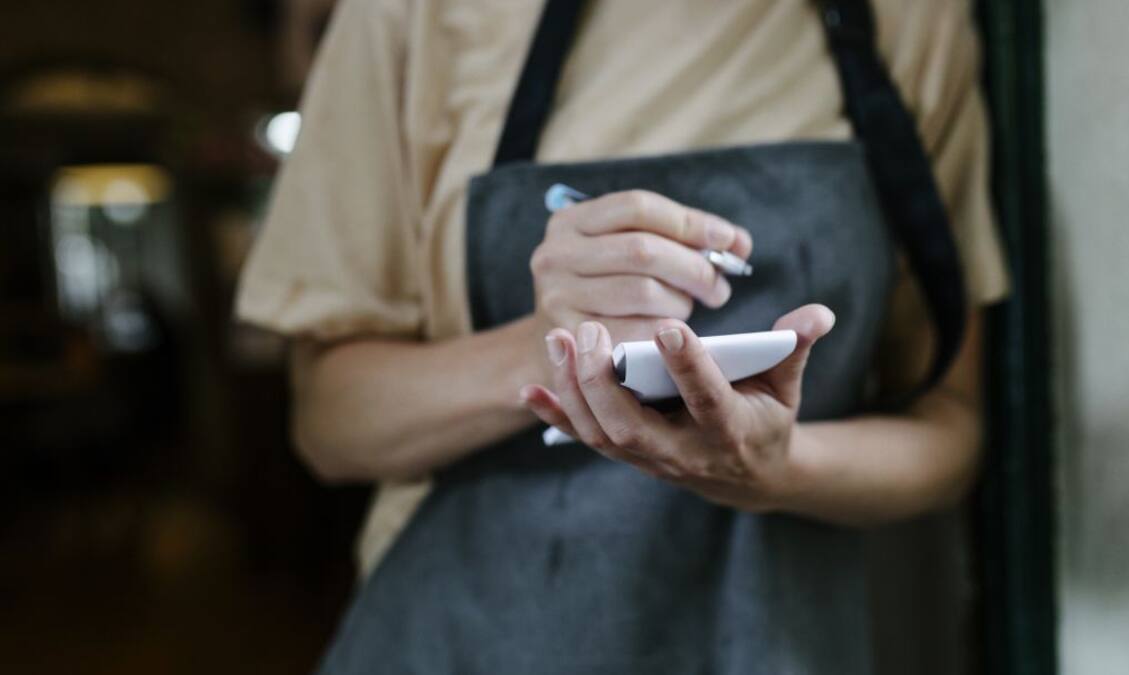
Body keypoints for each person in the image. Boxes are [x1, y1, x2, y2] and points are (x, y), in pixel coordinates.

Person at [236, 0, 1009, 671]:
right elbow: (329, 423)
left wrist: (779, 465)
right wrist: (549, 345)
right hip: (472, 637)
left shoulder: (906, 22)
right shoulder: (414, 17)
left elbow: (952, 422)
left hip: (776, 642)